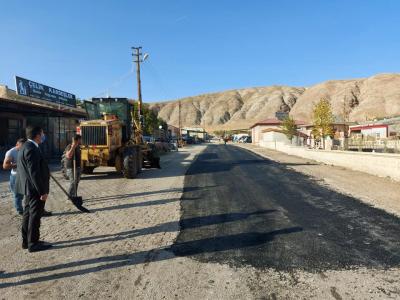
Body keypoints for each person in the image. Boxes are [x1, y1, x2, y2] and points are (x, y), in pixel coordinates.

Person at [15, 126, 52, 252]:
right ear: (37, 135)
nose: (43, 136)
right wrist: (42, 191)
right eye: (42, 133)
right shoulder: (31, 148)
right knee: (35, 216)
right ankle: (33, 243)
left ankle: (26, 241)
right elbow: (34, 173)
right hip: (34, 189)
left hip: (28, 188)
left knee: (27, 214)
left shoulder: (25, 146)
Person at [3, 138, 26, 215]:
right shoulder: (11, 152)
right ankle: (20, 210)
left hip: (25, 176)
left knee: (29, 193)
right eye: (21, 147)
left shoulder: (26, 150)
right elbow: (5, 166)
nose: (22, 148)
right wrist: (19, 164)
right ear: (17, 145)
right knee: (18, 195)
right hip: (16, 176)